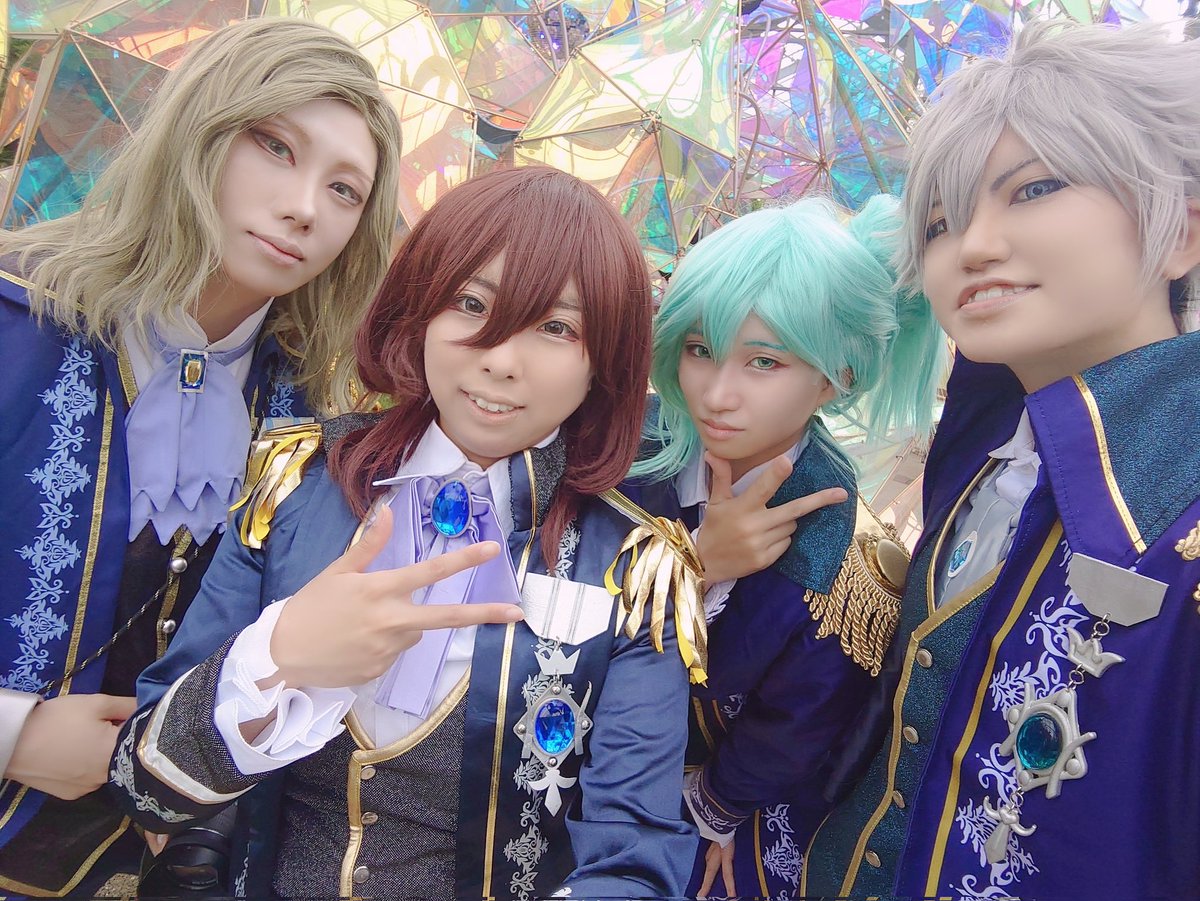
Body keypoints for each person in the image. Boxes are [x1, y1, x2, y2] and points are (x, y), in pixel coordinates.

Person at [109, 165, 703, 900]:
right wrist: (282, 652)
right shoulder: (298, 484)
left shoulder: (636, 569)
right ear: (420, 308)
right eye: (471, 303)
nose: (500, 359)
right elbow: (146, 785)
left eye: (556, 327)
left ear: (604, 364)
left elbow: (636, 861)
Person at [0, 18, 401, 895]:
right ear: (198, 129)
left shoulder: (313, 408)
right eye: (275, 146)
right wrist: (13, 733)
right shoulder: (12, 320)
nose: (305, 206)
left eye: (345, 189)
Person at [801, 20, 1200, 898]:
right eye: (940, 222)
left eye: (1035, 188)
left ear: (1180, 230)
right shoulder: (982, 457)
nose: (972, 246)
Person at [623, 195, 944, 897]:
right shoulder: (621, 450)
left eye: (763, 362)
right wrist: (697, 562)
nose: (717, 394)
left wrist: (714, 808)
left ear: (838, 376)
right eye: (700, 350)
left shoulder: (845, 563)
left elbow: (798, 721)